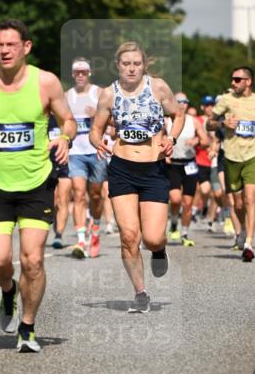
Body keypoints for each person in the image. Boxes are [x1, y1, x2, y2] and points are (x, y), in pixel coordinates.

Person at [0, 19, 76, 353]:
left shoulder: (46, 82)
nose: (4, 51)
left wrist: (66, 138)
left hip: (36, 182)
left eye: (11, 45)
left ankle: (27, 328)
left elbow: (67, 119)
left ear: (26, 47)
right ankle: (8, 290)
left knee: (32, 261)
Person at [89, 41, 185, 313]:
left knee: (152, 238)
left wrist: (172, 138)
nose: (131, 68)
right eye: (126, 64)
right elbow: (95, 129)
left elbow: (178, 115)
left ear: (144, 65)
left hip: (153, 170)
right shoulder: (109, 94)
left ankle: (158, 250)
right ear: (117, 65)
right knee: (129, 235)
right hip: (122, 168)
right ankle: (140, 292)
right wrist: (98, 142)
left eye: (136, 64)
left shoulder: (158, 87)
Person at [207, 66, 255, 263]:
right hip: (231, 156)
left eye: (237, 79)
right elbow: (209, 123)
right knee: (239, 202)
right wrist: (222, 124)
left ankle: (249, 244)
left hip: (252, 155)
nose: (233, 83)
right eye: (232, 79)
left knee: (251, 199)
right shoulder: (227, 100)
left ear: (248, 82)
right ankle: (242, 231)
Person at [65, 58, 107, 258]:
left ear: (89, 72)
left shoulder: (98, 93)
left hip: (96, 151)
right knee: (79, 193)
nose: (80, 75)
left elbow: (112, 119)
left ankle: (96, 230)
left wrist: (98, 115)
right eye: (77, 72)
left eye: (84, 71)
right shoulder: (67, 96)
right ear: (73, 74)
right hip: (76, 153)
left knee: (97, 194)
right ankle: (81, 239)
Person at [164, 94, 209, 247]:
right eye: (178, 102)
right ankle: (174, 221)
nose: (181, 104)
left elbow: (206, 141)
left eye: (184, 102)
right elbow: (157, 138)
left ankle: (184, 233)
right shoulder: (167, 120)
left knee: (188, 203)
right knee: (175, 199)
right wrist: (164, 154)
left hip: (189, 164)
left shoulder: (193, 121)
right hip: (172, 165)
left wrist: (197, 141)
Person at [47, 114, 72, 249]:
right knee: (54, 202)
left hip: (64, 165)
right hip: (46, 165)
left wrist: (65, 139)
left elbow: (71, 140)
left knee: (63, 200)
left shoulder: (63, 119)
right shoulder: (39, 118)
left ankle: (59, 235)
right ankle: (56, 228)